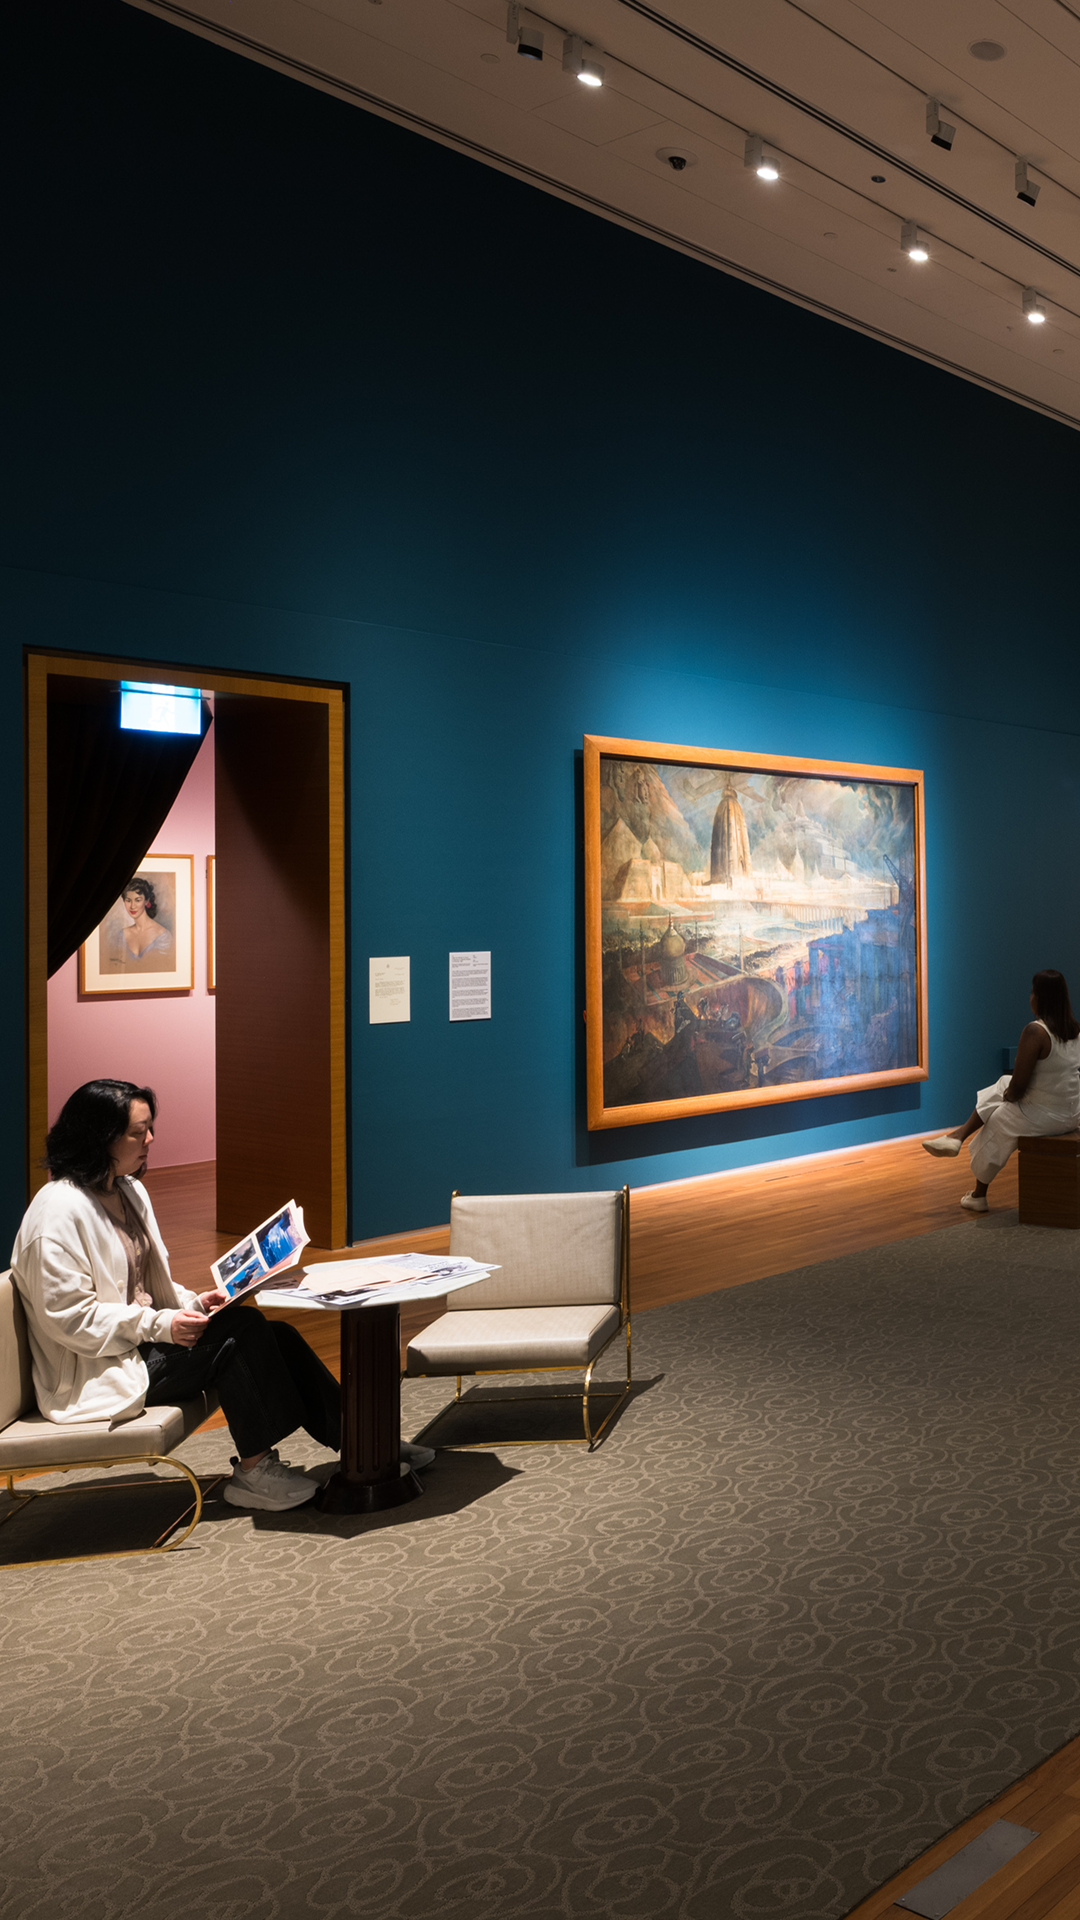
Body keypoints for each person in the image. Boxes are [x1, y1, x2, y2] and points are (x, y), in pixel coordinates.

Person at [11, 1080, 434, 1511]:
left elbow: (142, 1286)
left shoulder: (126, 1190)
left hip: (136, 1343)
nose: (150, 1140)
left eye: (150, 1128)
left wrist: (195, 1303)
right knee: (241, 1334)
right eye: (138, 1132)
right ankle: (254, 1470)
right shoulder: (57, 1213)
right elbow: (70, 1319)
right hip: (99, 1367)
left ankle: (365, 1444)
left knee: (279, 1336)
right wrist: (162, 1324)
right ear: (100, 1138)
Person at [922, 969, 1080, 1212]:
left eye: (1032, 992)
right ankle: (956, 1137)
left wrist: (1008, 1098)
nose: (1030, 997)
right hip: (1072, 1114)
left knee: (998, 1119)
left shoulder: (1035, 1031)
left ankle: (978, 1194)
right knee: (1004, 1082)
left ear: (1040, 998)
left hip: (1046, 1117)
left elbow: (1018, 1088)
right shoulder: (1075, 1031)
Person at [114, 876, 173, 962]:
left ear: (146, 901)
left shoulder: (163, 936)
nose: (132, 906)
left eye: (138, 900)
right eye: (128, 900)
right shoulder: (121, 935)